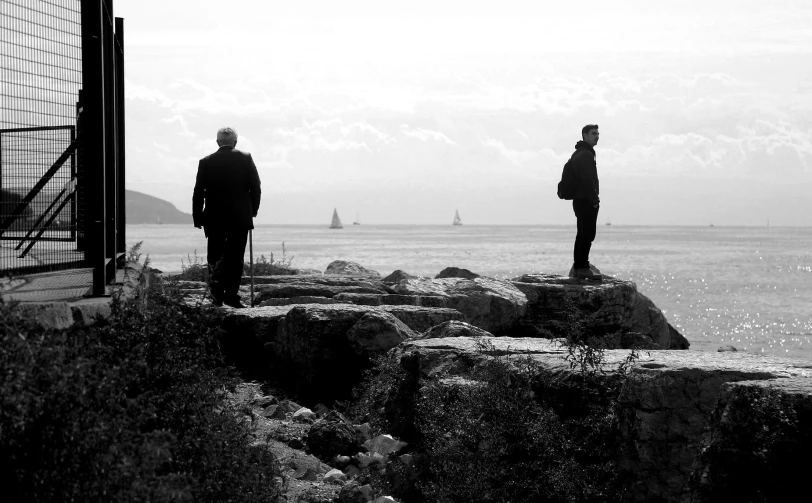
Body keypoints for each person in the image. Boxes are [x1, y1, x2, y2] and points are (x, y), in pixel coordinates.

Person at [192, 127, 261, 307]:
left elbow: (198, 192)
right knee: (236, 257)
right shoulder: (246, 158)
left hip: (214, 218)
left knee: (214, 257)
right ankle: (232, 296)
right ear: (235, 143)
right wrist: (252, 210)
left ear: (217, 143)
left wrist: (197, 217)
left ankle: (216, 296)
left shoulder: (206, 162)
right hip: (240, 218)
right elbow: (256, 187)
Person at [569, 124, 602, 280]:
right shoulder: (585, 154)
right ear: (585, 135)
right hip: (585, 200)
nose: (597, 136)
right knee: (587, 234)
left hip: (581, 199)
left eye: (598, 133)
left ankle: (579, 267)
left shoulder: (581, 153)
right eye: (593, 133)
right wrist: (595, 200)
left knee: (583, 234)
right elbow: (587, 179)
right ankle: (582, 267)